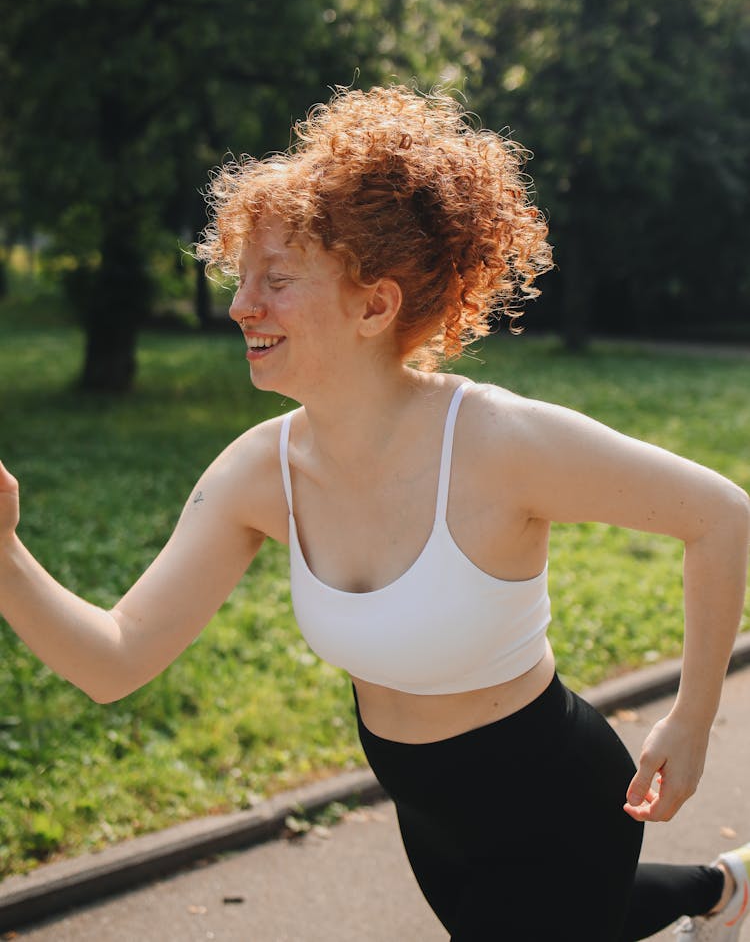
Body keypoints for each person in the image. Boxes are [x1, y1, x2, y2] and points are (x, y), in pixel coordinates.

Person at [1, 85, 749, 941]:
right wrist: (5, 552)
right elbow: (114, 659)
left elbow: (721, 515)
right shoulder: (258, 471)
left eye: (276, 281)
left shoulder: (499, 443)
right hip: (429, 821)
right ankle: (720, 889)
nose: (243, 305)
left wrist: (691, 722)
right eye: (242, 279)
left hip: (557, 802)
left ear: (374, 304)